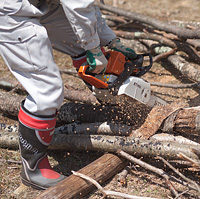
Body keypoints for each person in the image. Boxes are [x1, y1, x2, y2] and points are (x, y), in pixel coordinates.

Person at [0, 0, 137, 190]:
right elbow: (79, 4)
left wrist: (109, 39)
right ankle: (33, 169)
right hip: (12, 10)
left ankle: (121, 109)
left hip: (45, 3)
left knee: (86, 48)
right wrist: (93, 46)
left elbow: (87, 6)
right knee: (47, 91)